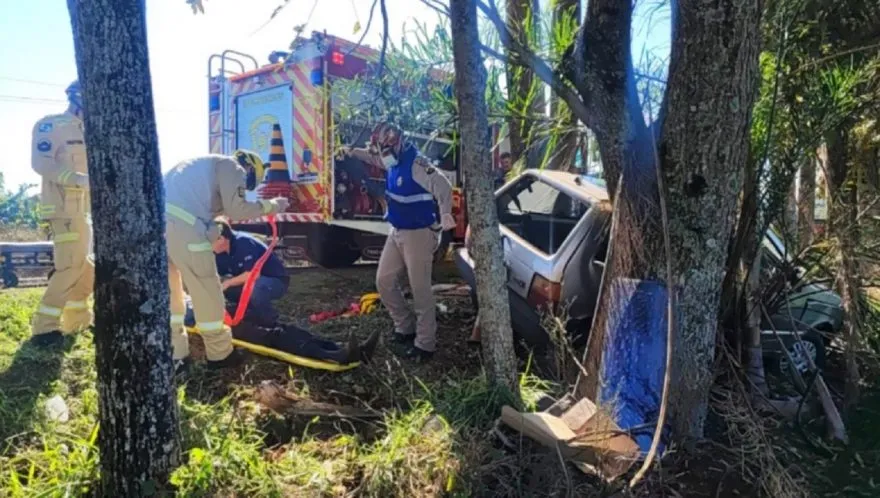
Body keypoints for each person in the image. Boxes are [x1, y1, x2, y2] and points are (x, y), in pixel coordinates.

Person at [164, 150, 289, 371]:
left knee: (172, 295)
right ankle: (220, 355)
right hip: (184, 229)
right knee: (207, 290)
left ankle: (177, 355)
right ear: (250, 169)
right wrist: (273, 205)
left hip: (160, 230)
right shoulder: (231, 167)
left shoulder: (194, 168)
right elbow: (238, 210)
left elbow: (205, 215)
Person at [342, 122, 455, 362]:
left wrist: (446, 219)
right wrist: (351, 152)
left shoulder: (417, 164)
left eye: (386, 149)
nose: (383, 155)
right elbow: (373, 159)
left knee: (420, 290)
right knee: (384, 282)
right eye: (380, 149)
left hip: (419, 234)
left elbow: (444, 186)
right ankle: (405, 327)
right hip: (397, 231)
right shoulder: (389, 157)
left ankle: (426, 344)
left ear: (398, 143)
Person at [29, 80, 95, 347]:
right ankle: (44, 329)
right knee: (71, 266)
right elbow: (40, 162)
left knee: (86, 267)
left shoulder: (91, 131)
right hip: (63, 209)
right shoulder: (51, 125)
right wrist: (78, 179)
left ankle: (77, 320)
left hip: (85, 212)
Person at [183, 299, 381, 366]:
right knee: (276, 336)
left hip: (235, 315)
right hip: (227, 328)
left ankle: (346, 349)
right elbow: (195, 321)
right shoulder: (178, 308)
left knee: (289, 329)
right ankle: (336, 356)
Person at [213, 221, 288, 327]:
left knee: (254, 288)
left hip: (275, 281)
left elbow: (253, 275)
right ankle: (249, 313)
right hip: (250, 281)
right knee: (225, 288)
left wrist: (228, 283)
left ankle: (269, 321)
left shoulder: (244, 242)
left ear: (221, 239)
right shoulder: (219, 252)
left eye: (209, 241)